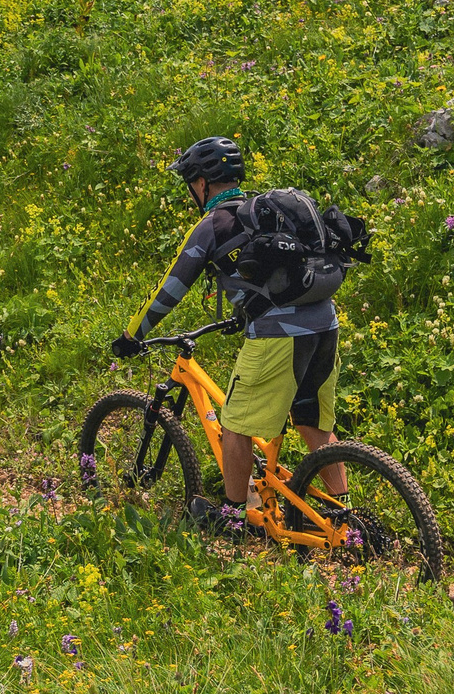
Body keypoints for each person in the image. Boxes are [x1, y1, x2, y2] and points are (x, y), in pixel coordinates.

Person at [109, 135, 346, 521]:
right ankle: (345, 516)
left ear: (202, 184)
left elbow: (169, 289)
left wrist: (132, 335)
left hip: (278, 336)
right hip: (325, 324)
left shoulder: (212, 225)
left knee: (234, 424)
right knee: (313, 423)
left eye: (191, 186)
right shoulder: (265, 213)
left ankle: (233, 518)